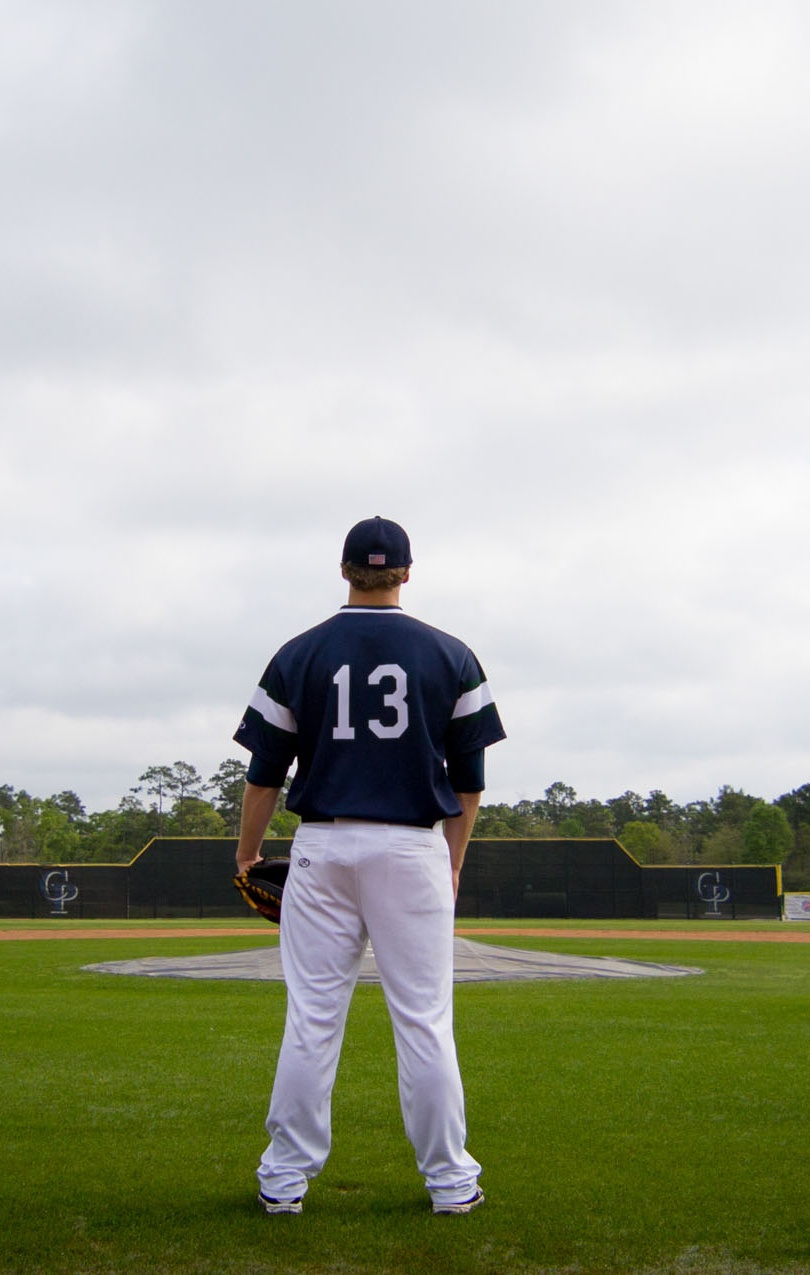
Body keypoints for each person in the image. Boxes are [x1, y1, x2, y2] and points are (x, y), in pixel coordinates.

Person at [233, 515, 506, 1217]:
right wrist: (452, 861)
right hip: (413, 847)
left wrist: (247, 853)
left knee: (312, 1018)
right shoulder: (452, 654)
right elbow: (469, 780)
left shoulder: (299, 652)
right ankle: (449, 1182)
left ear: (345, 570)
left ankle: (284, 1179)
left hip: (321, 847)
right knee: (422, 1019)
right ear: (407, 572)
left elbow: (264, 774)